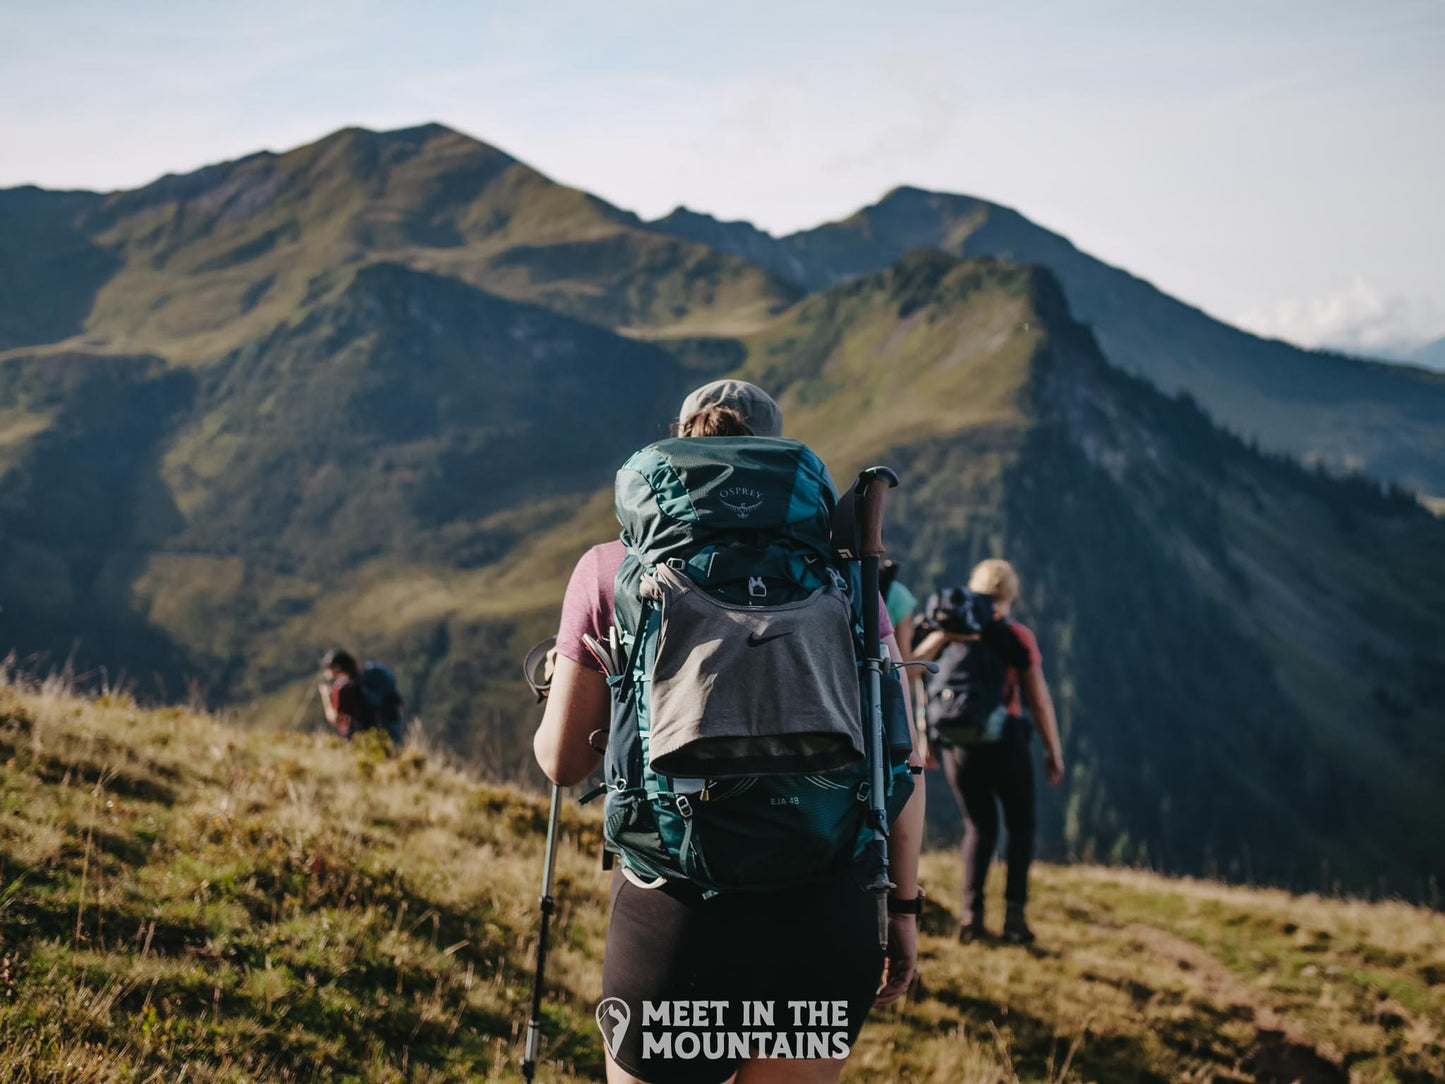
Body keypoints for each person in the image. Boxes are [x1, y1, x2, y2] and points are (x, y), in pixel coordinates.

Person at [533, 379, 926, 1084]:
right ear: (774, 456)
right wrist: (901, 910)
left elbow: (562, 763)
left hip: (675, 915)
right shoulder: (846, 579)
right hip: (821, 909)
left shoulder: (609, 570)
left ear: (677, 448)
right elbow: (898, 760)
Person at [913, 559, 1063, 946]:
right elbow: (1039, 700)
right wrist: (1052, 751)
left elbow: (912, 675)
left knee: (979, 827)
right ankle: (1014, 919)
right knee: (1021, 826)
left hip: (959, 748)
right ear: (1010, 593)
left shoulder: (949, 632)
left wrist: (925, 739)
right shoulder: (1014, 635)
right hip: (1007, 743)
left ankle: (971, 917)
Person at [318, 649, 405, 745]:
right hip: (387, 726)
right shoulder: (368, 676)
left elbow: (335, 719)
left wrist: (325, 697)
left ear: (337, 668)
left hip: (361, 738)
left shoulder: (345, 689)